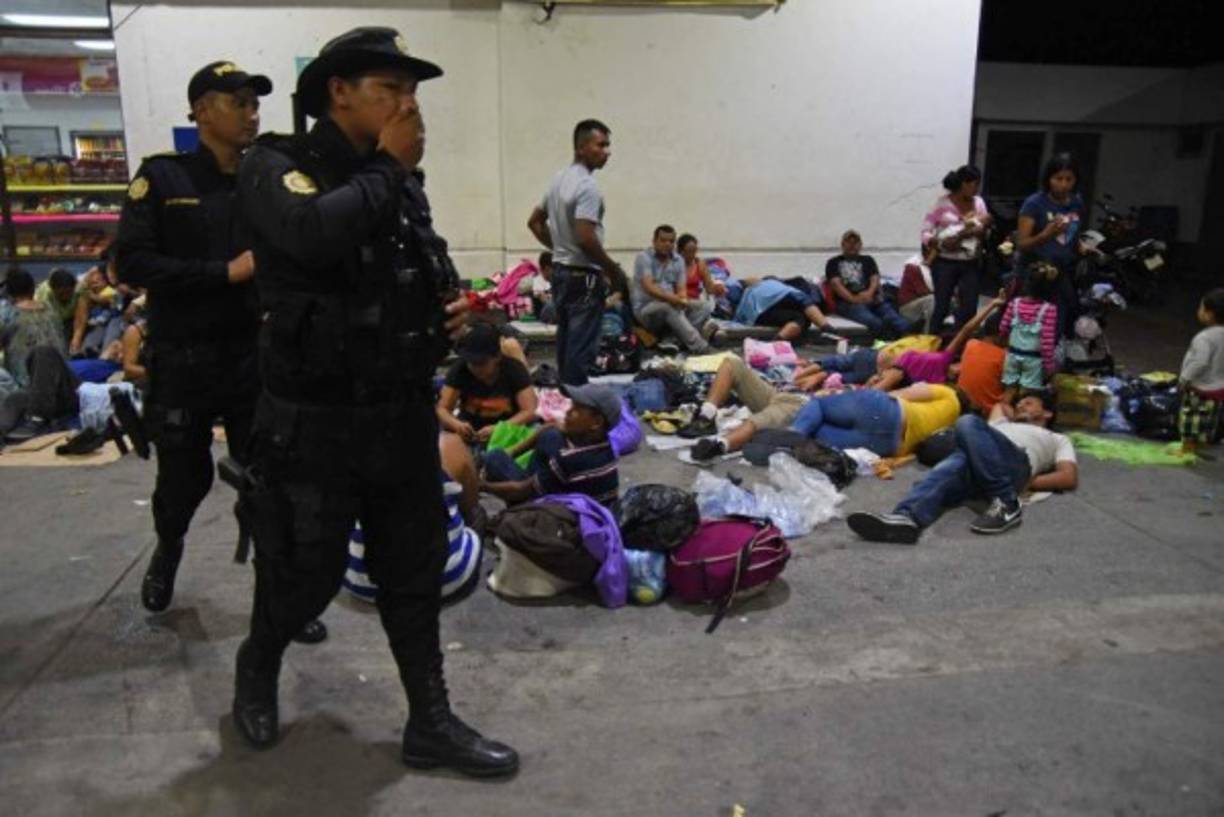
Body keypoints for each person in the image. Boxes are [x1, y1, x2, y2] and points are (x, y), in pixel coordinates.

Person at [232, 27, 516, 775]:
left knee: (411, 571)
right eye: (390, 89)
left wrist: (448, 309)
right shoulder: (278, 166)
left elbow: (417, 264)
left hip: (396, 414)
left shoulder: (397, 181)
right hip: (313, 424)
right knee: (304, 576)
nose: (407, 104)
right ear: (339, 91)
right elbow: (310, 237)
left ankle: (430, 720)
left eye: (412, 91)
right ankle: (258, 663)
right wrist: (391, 165)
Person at [114, 62, 327, 639]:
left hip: (253, 359)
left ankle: (282, 598)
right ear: (203, 110)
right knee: (184, 479)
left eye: (255, 103)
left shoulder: (268, 180)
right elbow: (130, 262)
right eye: (238, 102)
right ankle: (168, 548)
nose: (251, 112)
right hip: (183, 359)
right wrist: (223, 272)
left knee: (268, 482)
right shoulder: (164, 179)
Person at [846, 392, 1077, 543]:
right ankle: (906, 519)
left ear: (1047, 413)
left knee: (966, 422)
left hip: (1015, 464)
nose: (1020, 405)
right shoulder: (1001, 423)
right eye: (1019, 403)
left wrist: (1029, 482)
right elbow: (1000, 405)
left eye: (1029, 402)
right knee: (956, 462)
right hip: (980, 467)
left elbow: (1068, 476)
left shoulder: (1056, 438)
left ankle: (1007, 502)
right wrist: (1017, 408)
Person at [527, 119, 628, 386]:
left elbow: (534, 222)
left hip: (561, 272)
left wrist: (560, 248)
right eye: (601, 145)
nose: (607, 151)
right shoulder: (587, 187)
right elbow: (586, 237)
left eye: (608, 145)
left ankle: (564, 401)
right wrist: (612, 269)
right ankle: (576, 409)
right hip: (584, 278)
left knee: (566, 344)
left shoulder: (557, 180)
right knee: (581, 351)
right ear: (581, 148)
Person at [345, 432, 485, 606]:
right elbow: (470, 505)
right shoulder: (449, 444)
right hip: (445, 581)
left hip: (362, 583)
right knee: (478, 514)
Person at [482, 383, 620, 510]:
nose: (567, 411)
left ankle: (517, 514)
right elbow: (552, 426)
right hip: (580, 505)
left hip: (560, 520)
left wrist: (481, 486)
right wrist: (513, 451)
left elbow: (520, 490)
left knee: (495, 458)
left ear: (596, 422)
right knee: (551, 435)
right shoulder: (606, 446)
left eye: (576, 409)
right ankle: (535, 479)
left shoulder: (570, 460)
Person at [870, 292, 1007, 391]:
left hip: (881, 368)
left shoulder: (937, 380)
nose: (957, 370)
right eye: (960, 367)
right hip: (879, 361)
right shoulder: (943, 359)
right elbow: (967, 329)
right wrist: (992, 305)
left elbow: (967, 330)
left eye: (958, 373)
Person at [1, 268, 78, 441]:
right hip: (65, 384)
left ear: (10, 293)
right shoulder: (51, 311)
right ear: (33, 289)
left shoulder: (7, 314)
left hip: (29, 389)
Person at [1015, 153, 1087, 339]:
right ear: (1048, 179)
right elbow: (1022, 243)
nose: (1063, 184)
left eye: (1068, 179)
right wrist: (1045, 235)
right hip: (1037, 275)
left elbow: (1073, 233)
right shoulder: (1034, 204)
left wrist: (1080, 245)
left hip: (1063, 271)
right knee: (1038, 325)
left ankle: (1055, 358)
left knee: (1065, 317)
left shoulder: (1076, 203)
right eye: (1058, 179)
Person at [788, 382, 962, 457]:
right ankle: (790, 443)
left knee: (819, 405)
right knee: (817, 434)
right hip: (888, 445)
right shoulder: (955, 426)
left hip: (888, 411)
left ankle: (793, 434)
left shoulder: (949, 394)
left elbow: (904, 394)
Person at [436, 322, 537, 443]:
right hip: (470, 432)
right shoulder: (460, 369)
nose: (476, 369)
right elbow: (442, 409)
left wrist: (500, 429)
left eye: (482, 364)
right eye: (472, 364)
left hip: (506, 432)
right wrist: (457, 425)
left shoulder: (514, 369)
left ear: (497, 357)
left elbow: (530, 410)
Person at [922, 165, 990, 334]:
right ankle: (933, 340)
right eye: (973, 184)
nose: (976, 189)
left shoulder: (979, 203)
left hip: (970, 262)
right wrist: (939, 243)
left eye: (977, 184)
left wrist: (965, 235)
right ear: (962, 184)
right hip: (945, 263)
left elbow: (984, 228)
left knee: (969, 307)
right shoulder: (941, 203)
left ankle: (957, 342)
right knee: (942, 305)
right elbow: (925, 232)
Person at [630, 225, 715, 353]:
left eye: (671, 241)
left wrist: (682, 300)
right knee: (667, 306)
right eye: (663, 240)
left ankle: (671, 339)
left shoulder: (678, 260)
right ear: (654, 241)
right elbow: (649, 287)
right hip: (646, 310)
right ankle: (701, 347)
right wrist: (673, 299)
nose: (667, 244)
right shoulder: (644, 258)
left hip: (671, 305)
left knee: (704, 306)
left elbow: (681, 289)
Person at [825, 230, 909, 338]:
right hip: (847, 303)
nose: (852, 245)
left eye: (855, 242)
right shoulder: (833, 262)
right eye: (848, 242)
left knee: (892, 316)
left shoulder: (868, 260)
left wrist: (869, 294)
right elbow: (836, 284)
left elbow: (875, 278)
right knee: (873, 321)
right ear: (842, 245)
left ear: (860, 245)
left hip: (870, 299)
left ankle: (910, 336)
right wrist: (853, 299)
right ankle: (888, 340)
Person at [999, 264, 1059, 394]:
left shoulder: (1014, 303)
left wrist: (1005, 344)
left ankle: (1003, 412)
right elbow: (1047, 343)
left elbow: (1003, 328)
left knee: (1009, 391)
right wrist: (1049, 367)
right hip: (1033, 360)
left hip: (1012, 355)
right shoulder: (1049, 309)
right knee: (1026, 395)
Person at [1178, 288, 1224, 455]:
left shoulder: (1204, 338)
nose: (1198, 311)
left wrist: (1184, 379)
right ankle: (1200, 445)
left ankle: (1187, 448)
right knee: (1208, 420)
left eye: (1201, 307)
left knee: (1190, 419)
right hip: (1219, 388)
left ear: (1209, 314)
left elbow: (1200, 362)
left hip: (1200, 387)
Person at [730, 277, 830, 341]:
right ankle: (827, 329)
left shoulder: (746, 298)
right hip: (762, 306)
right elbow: (805, 302)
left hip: (755, 315)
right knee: (803, 308)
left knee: (800, 318)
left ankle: (777, 342)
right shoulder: (783, 288)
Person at [896, 245, 937, 333]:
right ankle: (928, 335)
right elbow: (923, 291)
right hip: (909, 308)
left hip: (926, 303)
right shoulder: (913, 266)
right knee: (932, 300)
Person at [34, 267, 81, 340]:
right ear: (53, 289)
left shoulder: (79, 291)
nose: (66, 296)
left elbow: (81, 317)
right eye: (62, 293)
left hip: (70, 320)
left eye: (68, 292)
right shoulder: (44, 296)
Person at [678, 233, 728, 302]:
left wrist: (717, 288)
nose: (692, 255)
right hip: (678, 300)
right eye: (689, 251)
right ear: (681, 252)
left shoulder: (699, 264)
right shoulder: (674, 265)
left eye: (694, 251)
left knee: (706, 307)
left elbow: (709, 288)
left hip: (694, 302)